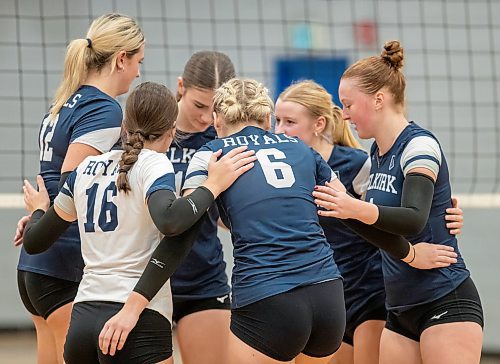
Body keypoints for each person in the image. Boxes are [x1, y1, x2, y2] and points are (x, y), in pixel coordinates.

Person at [21, 82, 256, 363]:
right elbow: (172, 222)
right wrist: (212, 185)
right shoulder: (153, 164)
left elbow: (34, 242)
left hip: (83, 320)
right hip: (135, 321)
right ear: (171, 131)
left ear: (124, 125)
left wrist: (38, 210)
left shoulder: (85, 168)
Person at [313, 41, 483, 364]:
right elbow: (375, 226)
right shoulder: (377, 153)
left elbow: (413, 218)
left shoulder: (419, 145)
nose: (344, 115)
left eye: (349, 104)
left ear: (379, 99)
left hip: (445, 298)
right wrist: (408, 252)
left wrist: (354, 206)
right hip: (399, 310)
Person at [275, 80, 465, 364]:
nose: (279, 130)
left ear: (319, 124)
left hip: (368, 290)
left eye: (289, 121)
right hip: (323, 293)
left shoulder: (356, 164)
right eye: (276, 121)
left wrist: (442, 217)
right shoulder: (280, 170)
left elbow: (392, 213)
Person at [14, 13, 145, 364]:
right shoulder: (103, 109)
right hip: (64, 261)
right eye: (138, 63)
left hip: (38, 263)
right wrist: (43, 214)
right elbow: (73, 182)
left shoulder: (65, 102)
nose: (137, 73)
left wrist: (41, 217)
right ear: (121, 59)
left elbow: (57, 181)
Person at [167, 50, 236, 364]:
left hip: (202, 279)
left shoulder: (223, 141)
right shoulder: (148, 131)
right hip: (143, 281)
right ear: (181, 86)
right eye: (198, 105)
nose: (207, 118)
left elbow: (224, 219)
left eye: (216, 109)